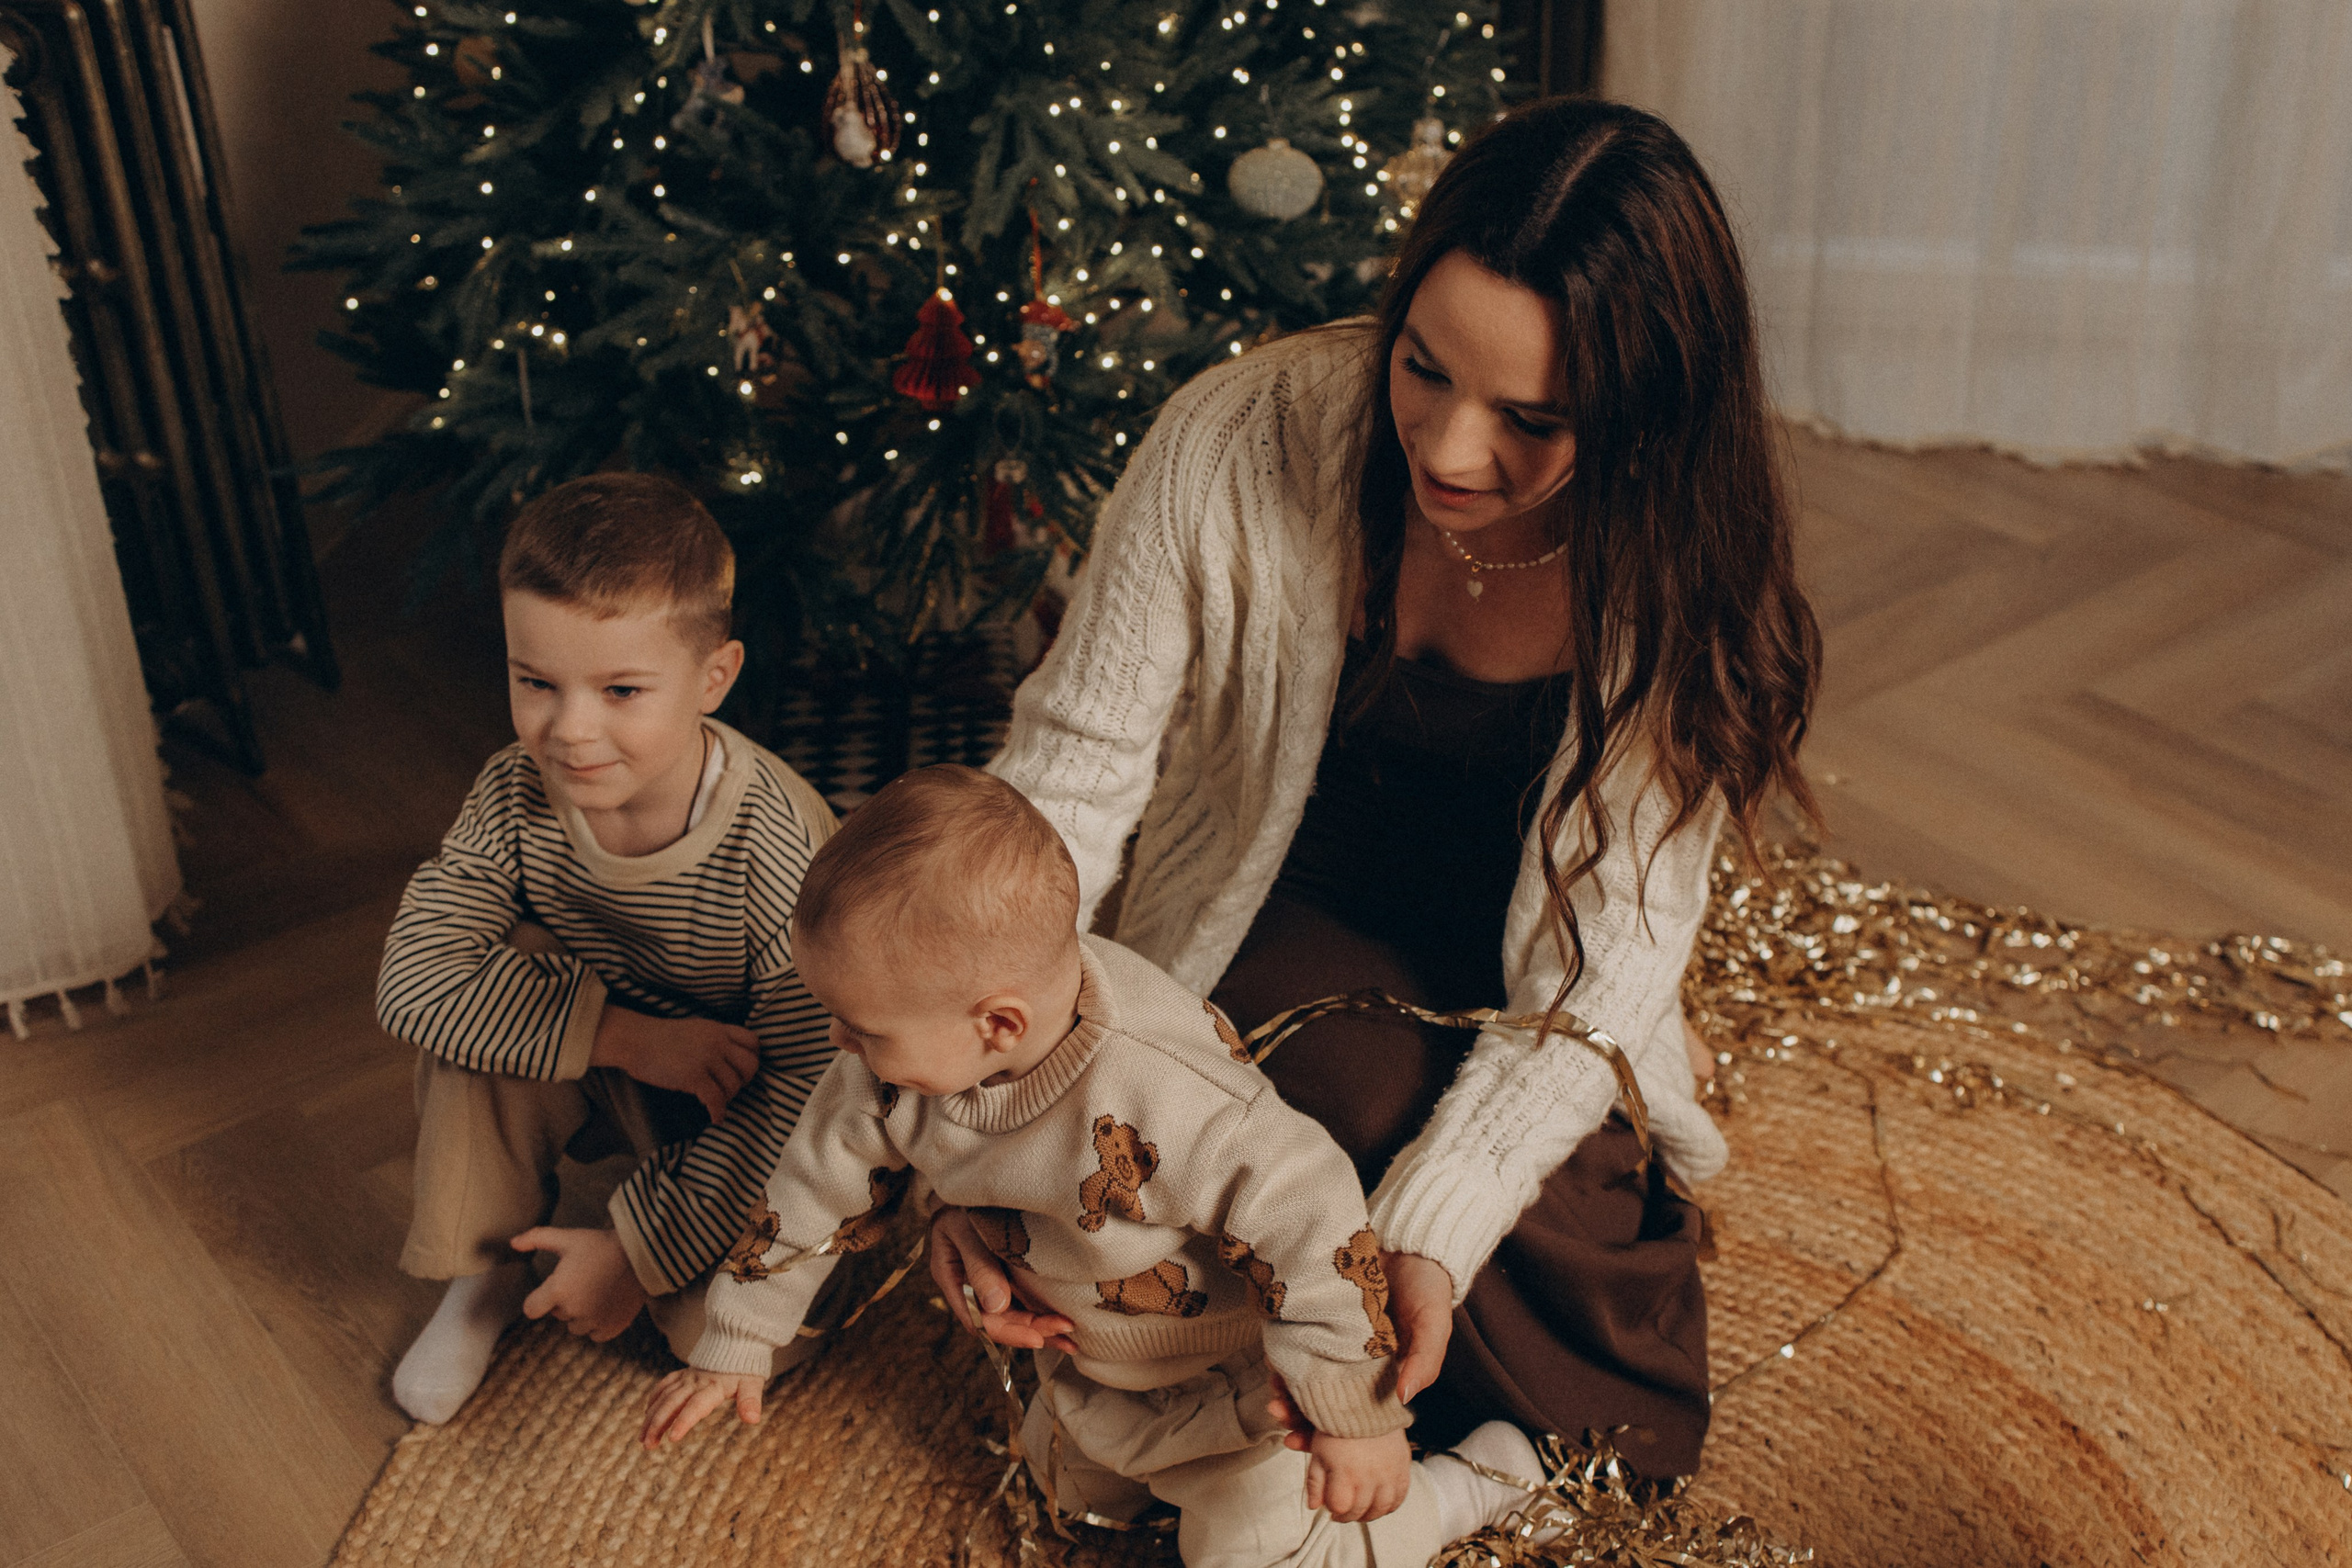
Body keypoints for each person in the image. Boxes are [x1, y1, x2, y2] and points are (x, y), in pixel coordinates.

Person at [940, 96, 1823, 1479]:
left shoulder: (1679, 571)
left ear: (1645, 409)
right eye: (1424, 368)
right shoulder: (1239, 439)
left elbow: (1610, 959)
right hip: (1272, 894)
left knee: (1533, 1261)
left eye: (1534, 417)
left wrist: (1439, 1223)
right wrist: (982, 1104)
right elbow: (1069, 782)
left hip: (1542, 967)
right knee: (1241, 1124)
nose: (1454, 451)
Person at [640, 765, 1552, 1564]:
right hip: (1096, 1361)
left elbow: (1312, 1215)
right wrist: (741, 1339)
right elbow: (812, 1183)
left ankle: (1462, 1488)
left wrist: (1351, 1414)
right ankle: (1140, 1456)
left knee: (1247, 1554)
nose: (838, 1044)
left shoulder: (1166, 1096)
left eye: (863, 1030)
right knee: (1064, 1485)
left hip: (1247, 1381)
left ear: (997, 1025)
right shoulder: (888, 1069)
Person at [380, 473, 841, 1423]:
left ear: (713, 679)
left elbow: (816, 1095)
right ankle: (486, 1272)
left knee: (721, 1334)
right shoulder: (514, 791)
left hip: (754, 1112)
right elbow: (414, 976)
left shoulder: (779, 845)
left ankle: (629, 1235)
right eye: (535, 683)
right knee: (476, 995)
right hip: (626, 1066)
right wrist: (625, 1038)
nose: (570, 729)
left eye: (621, 690)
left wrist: (636, 1249)